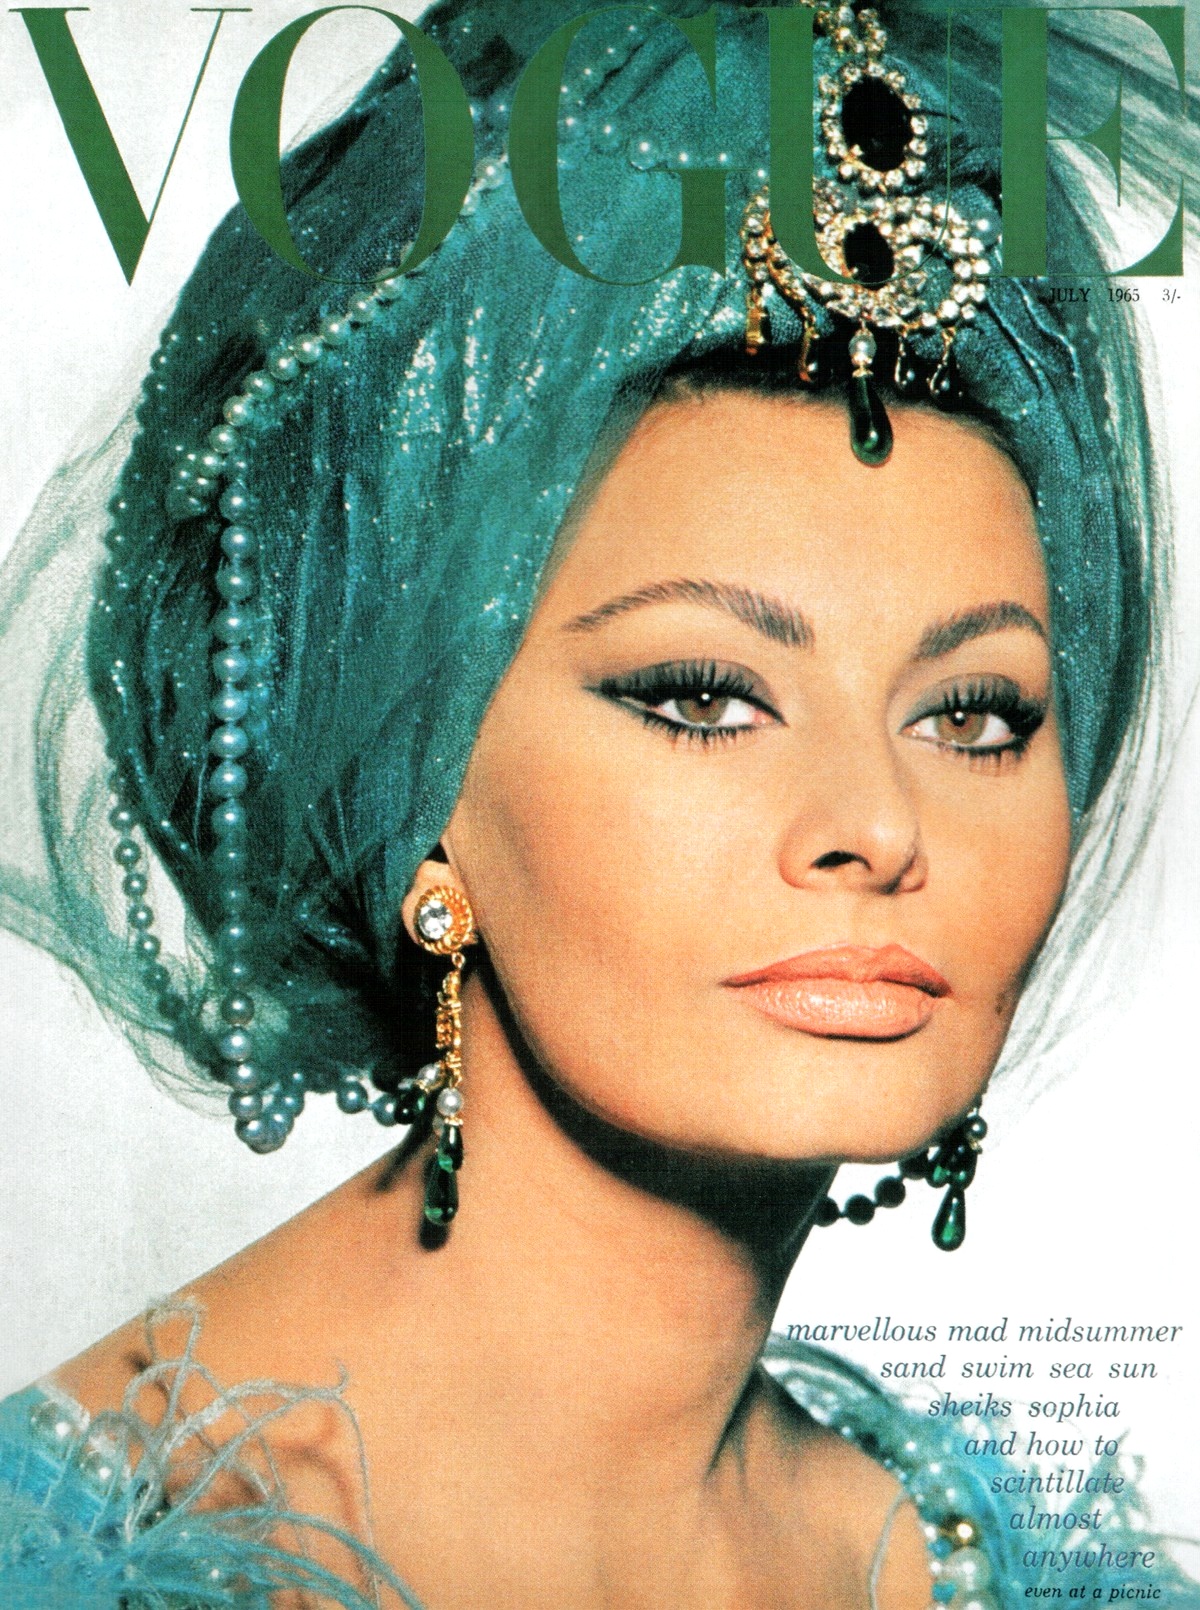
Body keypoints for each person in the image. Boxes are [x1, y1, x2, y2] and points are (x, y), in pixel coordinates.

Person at [0, 1, 1195, 1605]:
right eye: (702, 697)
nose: (879, 823)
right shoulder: (84, 1563)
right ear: (417, 787)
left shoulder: (998, 1569)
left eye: (972, 714)